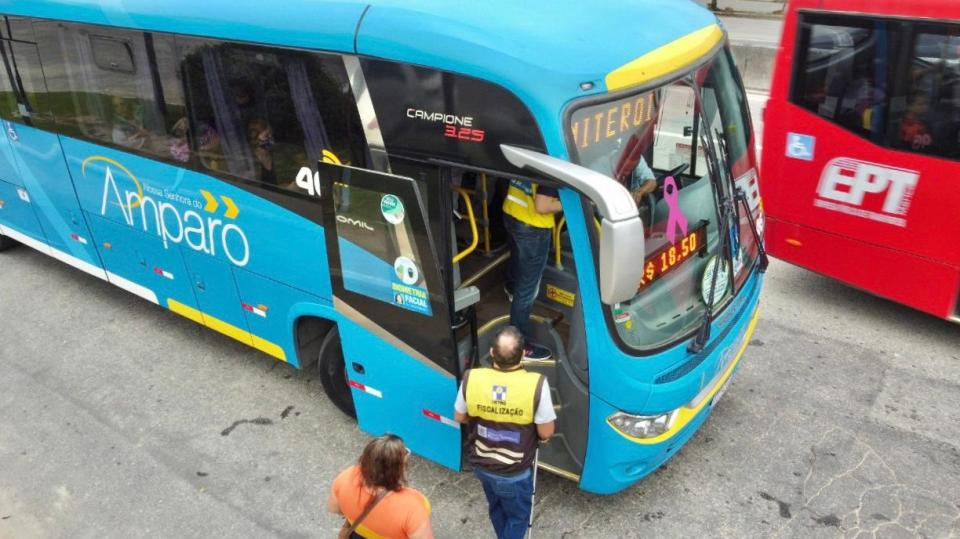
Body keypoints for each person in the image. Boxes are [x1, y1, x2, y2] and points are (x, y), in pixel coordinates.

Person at [454, 326, 556, 539]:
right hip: (513, 472)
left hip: (481, 464)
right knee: (518, 518)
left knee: (496, 508)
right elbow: (546, 433)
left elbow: (460, 417)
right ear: (523, 355)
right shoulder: (536, 384)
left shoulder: (471, 378)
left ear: (492, 353)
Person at [328, 434, 434, 539]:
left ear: (366, 458)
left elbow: (334, 509)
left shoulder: (346, 476)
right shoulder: (413, 506)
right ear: (401, 467)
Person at [502, 179, 562, 361]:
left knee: (516, 258)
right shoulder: (553, 163)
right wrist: (574, 202)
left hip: (511, 212)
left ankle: (511, 288)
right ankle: (519, 348)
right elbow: (542, 206)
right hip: (533, 227)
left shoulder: (531, 149)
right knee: (527, 290)